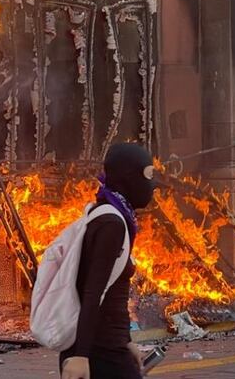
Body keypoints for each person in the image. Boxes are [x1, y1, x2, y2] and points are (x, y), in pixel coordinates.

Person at [61, 143, 156, 379]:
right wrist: (81, 356)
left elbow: (113, 289)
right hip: (100, 352)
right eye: (147, 175)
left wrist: (126, 341)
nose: (152, 185)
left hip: (109, 347)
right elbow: (93, 291)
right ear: (128, 178)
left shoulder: (113, 216)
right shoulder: (111, 223)